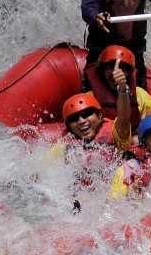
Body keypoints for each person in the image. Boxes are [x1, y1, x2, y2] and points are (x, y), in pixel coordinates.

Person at [52, 63, 133, 212]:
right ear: (69, 126)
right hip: (80, 197)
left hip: (111, 196)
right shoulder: (65, 144)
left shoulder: (115, 132)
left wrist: (122, 90)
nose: (81, 121)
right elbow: (45, 169)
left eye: (86, 114)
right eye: (74, 118)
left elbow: (124, 117)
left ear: (100, 115)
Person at [83, 44, 151, 131]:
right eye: (110, 67)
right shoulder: (90, 98)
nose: (116, 72)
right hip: (104, 141)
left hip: (133, 140)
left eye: (122, 69)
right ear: (102, 72)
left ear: (128, 74)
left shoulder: (140, 94)